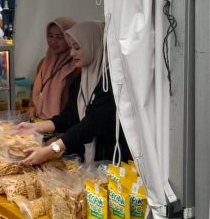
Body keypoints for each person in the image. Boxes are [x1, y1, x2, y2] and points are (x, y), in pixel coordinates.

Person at [19, 21, 131, 165]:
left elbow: (91, 124)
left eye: (77, 48)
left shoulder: (112, 81)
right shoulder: (83, 76)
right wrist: (36, 127)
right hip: (90, 156)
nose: (72, 53)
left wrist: (51, 149)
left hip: (115, 159)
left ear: (94, 46)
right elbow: (71, 115)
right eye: (71, 47)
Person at [28, 17, 79, 120]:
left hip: (63, 126)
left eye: (59, 37)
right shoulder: (43, 63)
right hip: (39, 122)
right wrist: (31, 110)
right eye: (50, 36)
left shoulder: (77, 67)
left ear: (71, 38)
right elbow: (34, 94)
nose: (53, 41)